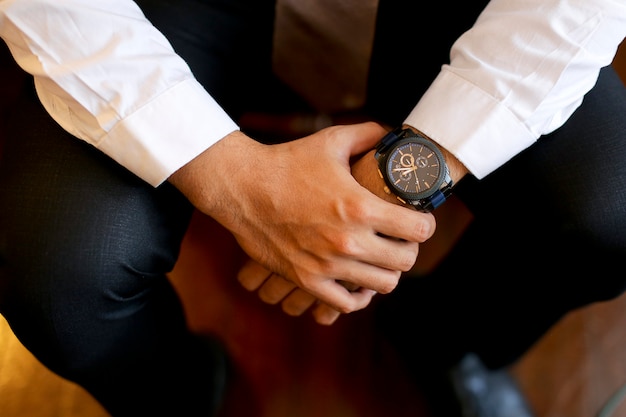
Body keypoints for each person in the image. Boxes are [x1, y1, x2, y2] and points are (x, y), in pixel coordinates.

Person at [0, 0, 624, 416]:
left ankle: (443, 339)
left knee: (610, 214)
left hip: (473, 10)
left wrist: (397, 182)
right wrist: (231, 180)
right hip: (150, 14)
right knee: (58, 271)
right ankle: (178, 397)